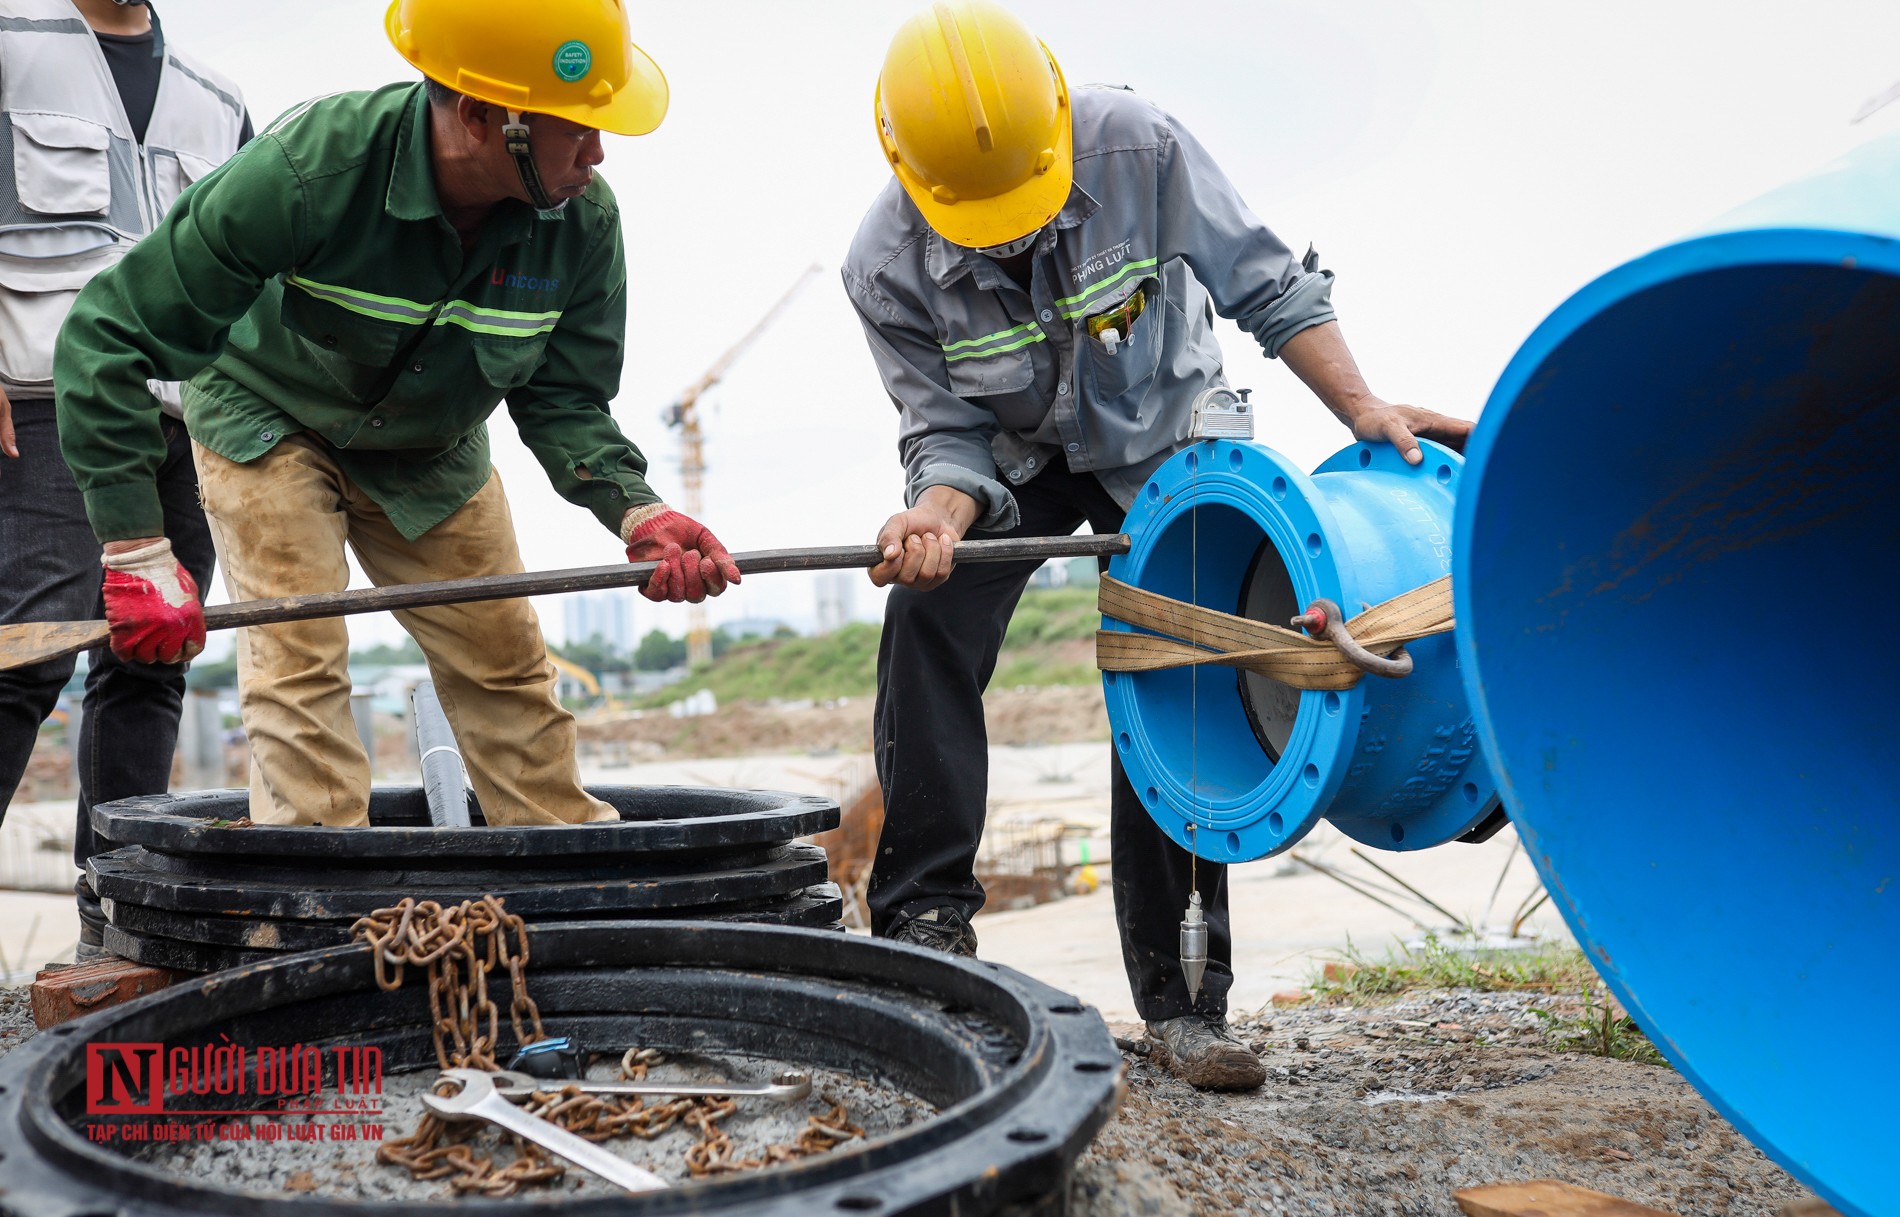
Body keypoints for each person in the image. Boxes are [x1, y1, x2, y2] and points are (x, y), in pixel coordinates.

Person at [842, 1, 1472, 1090]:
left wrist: (1359, 407)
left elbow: (1269, 286)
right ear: (911, 174)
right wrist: (935, 518)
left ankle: (1185, 1000)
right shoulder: (884, 262)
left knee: (1177, 652)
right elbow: (944, 434)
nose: (1003, 231)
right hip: (1013, 458)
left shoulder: (1141, 144)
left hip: (1162, 436)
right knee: (927, 618)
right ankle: (924, 927)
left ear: (1053, 128)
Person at [53, 0, 739, 833]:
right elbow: (105, 335)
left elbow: (564, 399)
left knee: (504, 663)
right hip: (266, 416)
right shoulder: (312, 170)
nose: (598, 153)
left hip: (431, 445)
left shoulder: (582, 223)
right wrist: (136, 545)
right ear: (489, 116)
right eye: (578, 128)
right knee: (299, 655)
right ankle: (320, 899)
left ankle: (569, 865)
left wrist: (638, 507)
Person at [0, 0, 250, 958]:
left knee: (152, 660)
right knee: (24, 656)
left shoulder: (214, 100)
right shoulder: (15, 43)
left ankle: (119, 928)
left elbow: (245, 272)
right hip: (41, 397)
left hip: (177, 419)